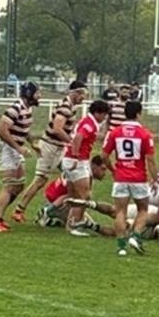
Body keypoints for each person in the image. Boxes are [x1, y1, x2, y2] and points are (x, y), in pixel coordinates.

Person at [13, 80, 88, 222]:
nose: (84, 98)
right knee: (40, 179)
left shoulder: (70, 106)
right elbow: (57, 128)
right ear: (75, 93)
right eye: (82, 94)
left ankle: (65, 209)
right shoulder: (65, 107)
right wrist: (71, 142)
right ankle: (19, 209)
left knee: (72, 176)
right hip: (51, 147)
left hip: (58, 148)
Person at [102, 99, 156, 257]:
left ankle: (121, 246)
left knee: (120, 211)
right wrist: (156, 178)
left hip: (121, 177)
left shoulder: (115, 132)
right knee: (143, 210)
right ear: (139, 114)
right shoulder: (145, 134)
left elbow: (104, 155)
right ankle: (136, 235)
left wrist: (113, 168)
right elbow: (151, 160)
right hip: (138, 177)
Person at [0, 82, 40, 233]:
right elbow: (2, 130)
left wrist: (32, 143)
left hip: (14, 149)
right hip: (6, 148)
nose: (39, 96)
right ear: (29, 94)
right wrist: (18, 148)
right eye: (37, 93)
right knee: (9, 185)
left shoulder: (26, 109)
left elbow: (24, 129)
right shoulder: (15, 108)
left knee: (18, 186)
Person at [60, 98, 110, 237]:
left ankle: (70, 224)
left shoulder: (88, 122)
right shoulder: (89, 124)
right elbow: (78, 138)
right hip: (76, 161)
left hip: (71, 159)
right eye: (104, 114)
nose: (105, 118)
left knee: (74, 195)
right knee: (84, 195)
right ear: (98, 113)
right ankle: (76, 223)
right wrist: (76, 156)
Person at [38, 156, 115, 231]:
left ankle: (54, 218)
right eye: (103, 169)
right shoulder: (84, 176)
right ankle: (49, 214)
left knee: (85, 218)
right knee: (81, 220)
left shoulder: (83, 170)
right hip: (58, 203)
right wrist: (50, 209)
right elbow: (72, 196)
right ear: (94, 166)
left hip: (54, 198)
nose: (104, 173)